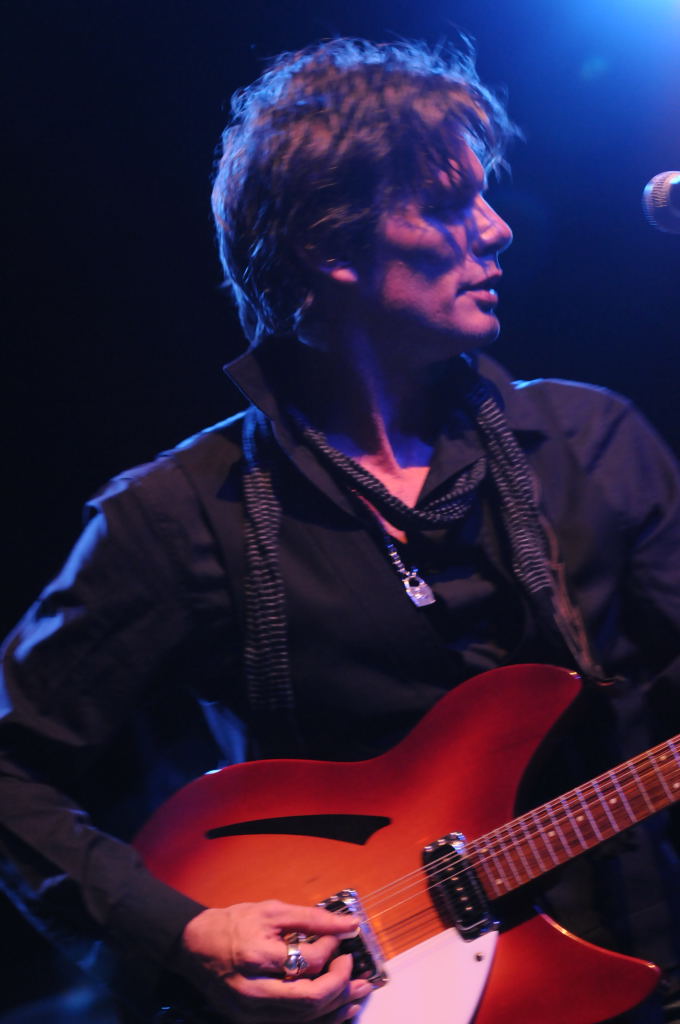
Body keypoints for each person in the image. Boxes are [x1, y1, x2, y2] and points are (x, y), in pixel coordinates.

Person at [2, 37, 680, 1024]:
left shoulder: (591, 440)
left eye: (485, 196)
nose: (495, 229)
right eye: (446, 204)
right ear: (330, 248)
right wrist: (182, 932)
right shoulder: (176, 514)